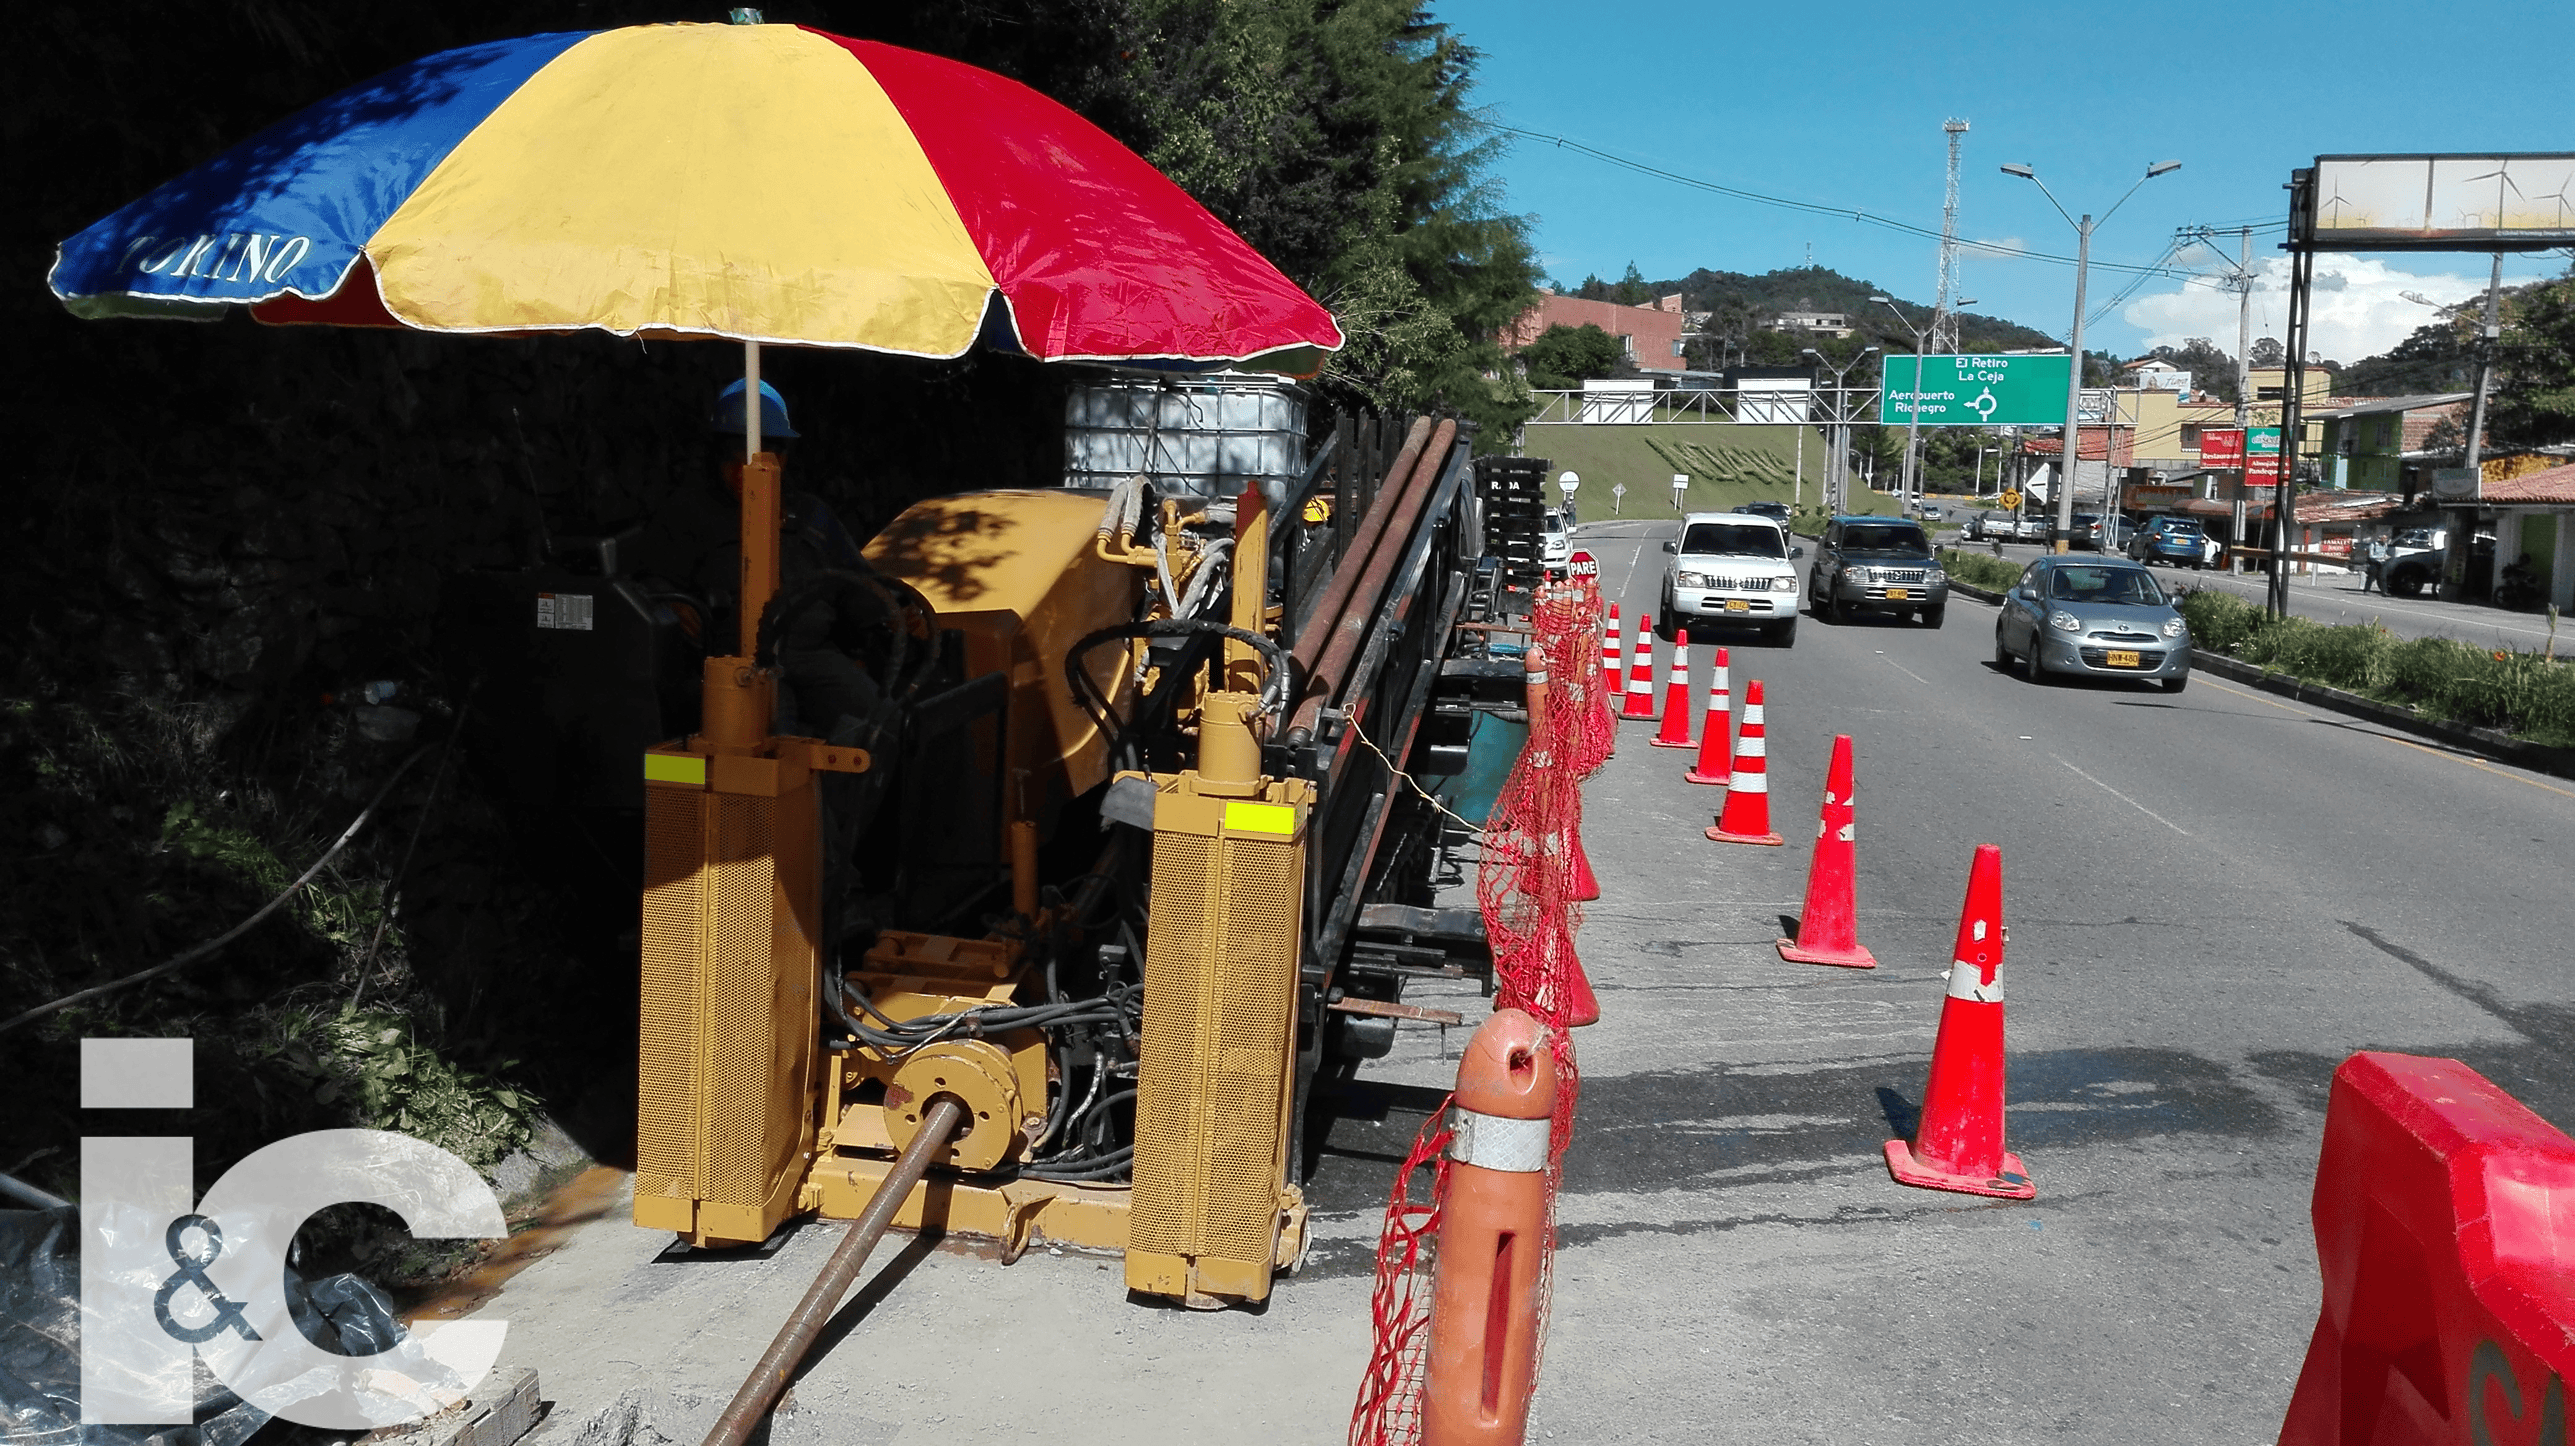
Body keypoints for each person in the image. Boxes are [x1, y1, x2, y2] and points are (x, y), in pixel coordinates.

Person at [633, 379, 881, 741]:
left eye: (759, 456)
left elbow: (858, 587)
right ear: (716, 456)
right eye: (733, 457)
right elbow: (649, 580)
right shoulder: (688, 515)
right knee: (768, 743)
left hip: (811, 656)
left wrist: (893, 616)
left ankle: (850, 775)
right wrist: (671, 602)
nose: (742, 469)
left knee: (884, 724)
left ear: (783, 458)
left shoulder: (811, 516)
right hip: (736, 665)